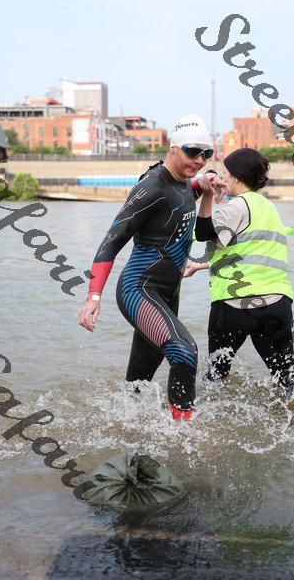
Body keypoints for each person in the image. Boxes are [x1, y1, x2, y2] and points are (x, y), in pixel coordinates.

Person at [78, 114, 228, 420]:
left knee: (138, 384)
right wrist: (93, 297)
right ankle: (185, 437)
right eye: (192, 152)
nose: (199, 160)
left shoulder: (183, 182)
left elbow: (182, 195)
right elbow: (111, 242)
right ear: (173, 148)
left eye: (206, 153)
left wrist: (206, 180)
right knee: (185, 354)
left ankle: (122, 428)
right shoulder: (151, 186)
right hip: (139, 290)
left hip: (167, 294)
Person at [185, 147, 294, 389]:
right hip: (275, 304)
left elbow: (203, 232)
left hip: (233, 306)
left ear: (236, 177)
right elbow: (249, 255)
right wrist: (201, 265)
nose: (223, 178)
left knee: (215, 380)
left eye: (226, 173)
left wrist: (207, 195)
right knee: (287, 382)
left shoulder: (238, 205)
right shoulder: (269, 208)